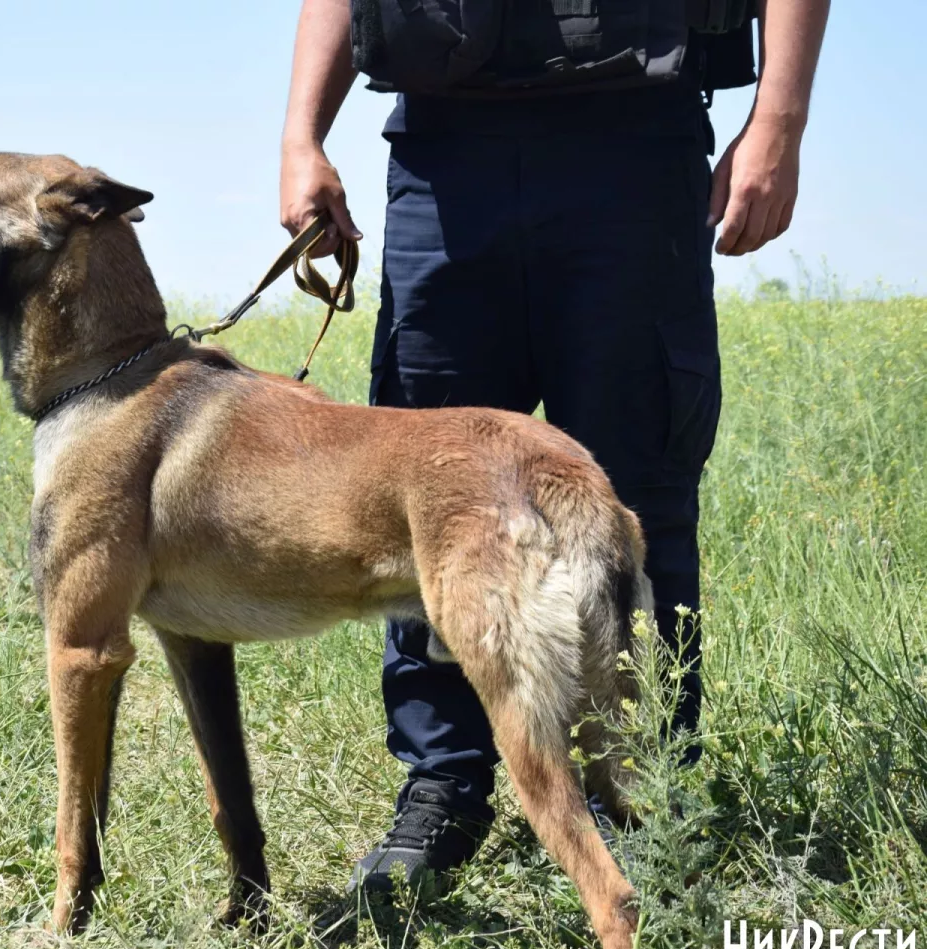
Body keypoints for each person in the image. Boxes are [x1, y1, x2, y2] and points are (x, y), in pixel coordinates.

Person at [279, 0, 829, 893]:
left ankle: (646, 801)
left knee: (635, 489)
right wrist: (301, 135)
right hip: (445, 149)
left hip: (632, 139)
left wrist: (779, 120)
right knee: (429, 491)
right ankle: (446, 783)